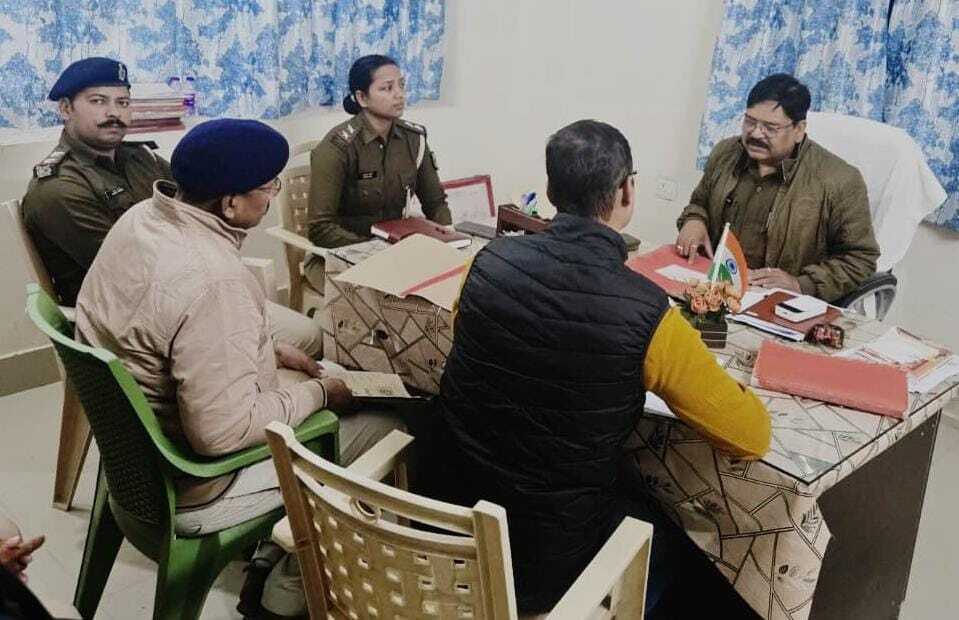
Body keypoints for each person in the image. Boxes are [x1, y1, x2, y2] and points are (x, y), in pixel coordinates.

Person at [438, 120, 771, 616]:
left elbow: (468, 333)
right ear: (626, 192)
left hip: (452, 519)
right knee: (680, 540)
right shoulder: (649, 313)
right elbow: (751, 436)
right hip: (545, 565)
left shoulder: (487, 262)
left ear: (551, 190)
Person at [75, 119, 401, 537]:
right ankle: (297, 568)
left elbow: (171, 329)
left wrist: (268, 349)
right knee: (389, 427)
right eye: (268, 188)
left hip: (135, 460)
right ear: (230, 204)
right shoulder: (214, 280)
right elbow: (222, 434)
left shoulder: (142, 217)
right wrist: (322, 393)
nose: (272, 197)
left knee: (305, 361)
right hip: (199, 484)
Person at [21, 57, 321, 356]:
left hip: (183, 291)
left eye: (123, 102)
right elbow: (129, 274)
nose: (114, 112)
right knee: (308, 338)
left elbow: (196, 206)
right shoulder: (59, 189)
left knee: (309, 334)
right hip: (134, 320)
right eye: (98, 101)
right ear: (65, 109)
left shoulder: (139, 158)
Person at [675, 73, 880, 302]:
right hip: (712, 288)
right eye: (750, 121)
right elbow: (699, 203)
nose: (755, 133)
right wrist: (694, 220)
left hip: (778, 302)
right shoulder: (726, 153)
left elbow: (860, 259)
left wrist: (801, 284)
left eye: (770, 128)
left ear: (799, 130)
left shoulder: (840, 180)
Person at [303, 54, 452, 292]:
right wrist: (376, 252)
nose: (399, 94)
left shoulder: (414, 139)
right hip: (341, 257)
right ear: (362, 97)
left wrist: (448, 240)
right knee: (404, 300)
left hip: (398, 255)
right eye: (387, 88)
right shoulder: (337, 147)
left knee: (453, 289)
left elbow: (435, 203)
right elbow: (321, 228)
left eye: (401, 85)